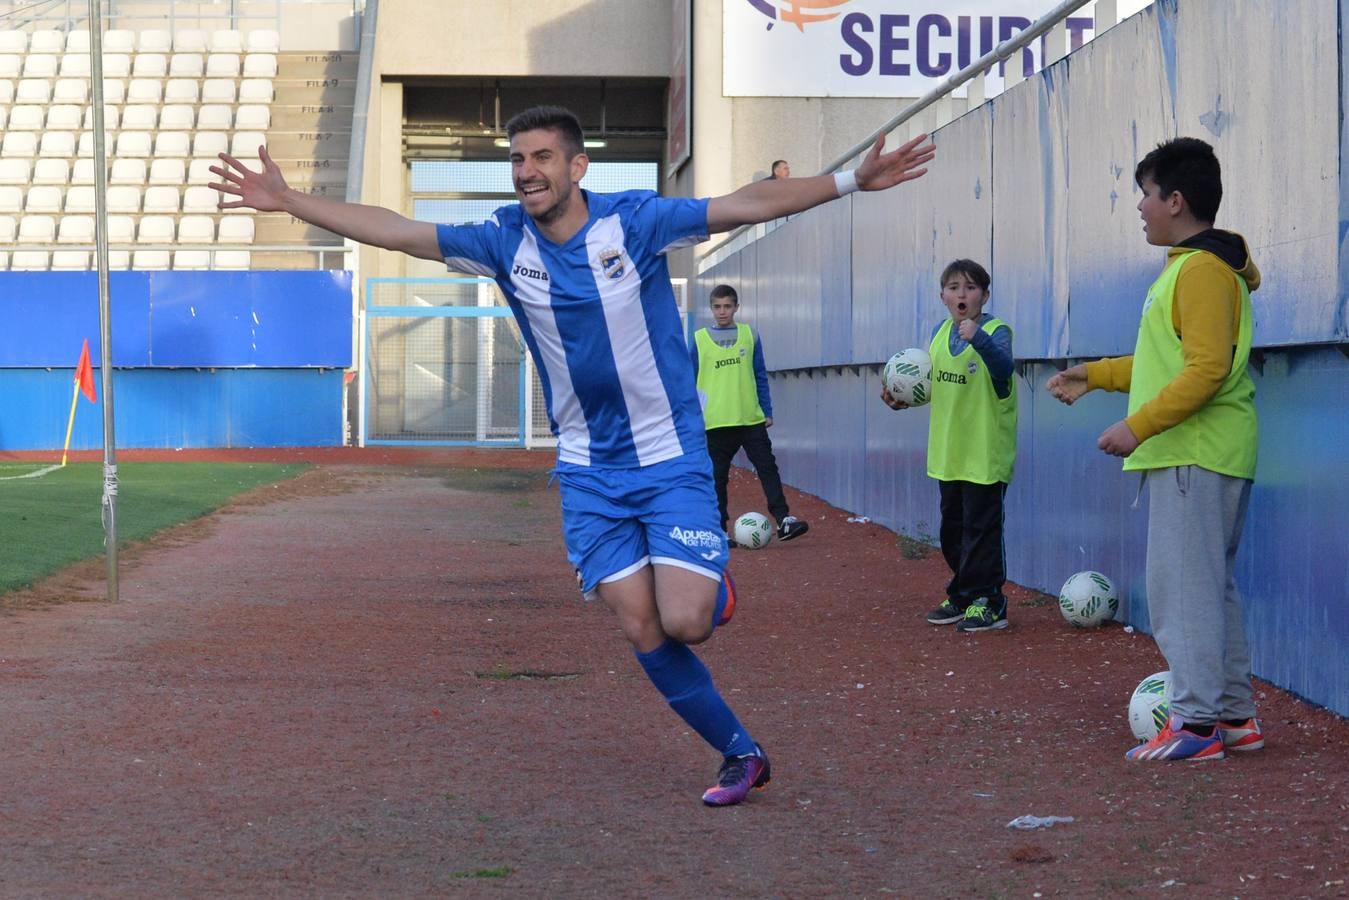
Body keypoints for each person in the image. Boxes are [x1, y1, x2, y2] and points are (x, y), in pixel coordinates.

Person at [211, 106, 934, 803]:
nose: (526, 172)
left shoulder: (635, 220)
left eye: (541, 157)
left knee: (685, 621)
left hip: (667, 453)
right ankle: (742, 752)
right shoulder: (501, 240)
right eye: (517, 160)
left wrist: (847, 183)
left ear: (577, 166)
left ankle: (713, 590)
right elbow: (397, 231)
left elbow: (743, 204)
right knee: (639, 623)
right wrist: (288, 201)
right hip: (588, 468)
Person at [1046, 137, 1263, 762]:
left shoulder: (1197, 271)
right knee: (1209, 588)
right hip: (1207, 450)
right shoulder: (1195, 268)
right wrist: (1098, 375)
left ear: (1175, 199)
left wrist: (1137, 426)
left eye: (1145, 194)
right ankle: (1233, 718)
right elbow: (1168, 361)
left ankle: (1194, 726)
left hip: (1193, 452)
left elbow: (1204, 371)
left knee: (1184, 591)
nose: (1140, 207)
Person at [880, 259, 1016, 633]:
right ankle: (963, 594)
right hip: (948, 451)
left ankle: (990, 600)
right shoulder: (940, 334)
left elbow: (1004, 370)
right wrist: (902, 397)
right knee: (952, 529)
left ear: (984, 296)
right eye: (954, 287)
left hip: (985, 451)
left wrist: (980, 339)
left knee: (982, 528)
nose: (962, 293)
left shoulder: (996, 331)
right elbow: (934, 386)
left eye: (971, 287)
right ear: (942, 296)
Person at [690, 284, 808, 546]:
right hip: (715, 422)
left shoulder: (749, 335)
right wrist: (691, 418)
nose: (723, 312)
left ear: (736, 307)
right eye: (718, 307)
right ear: (711, 308)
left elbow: (759, 375)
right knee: (716, 478)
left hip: (750, 418)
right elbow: (688, 381)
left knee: (768, 468)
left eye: (728, 306)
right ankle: (719, 531)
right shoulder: (698, 340)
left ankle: (784, 520)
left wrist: (767, 410)